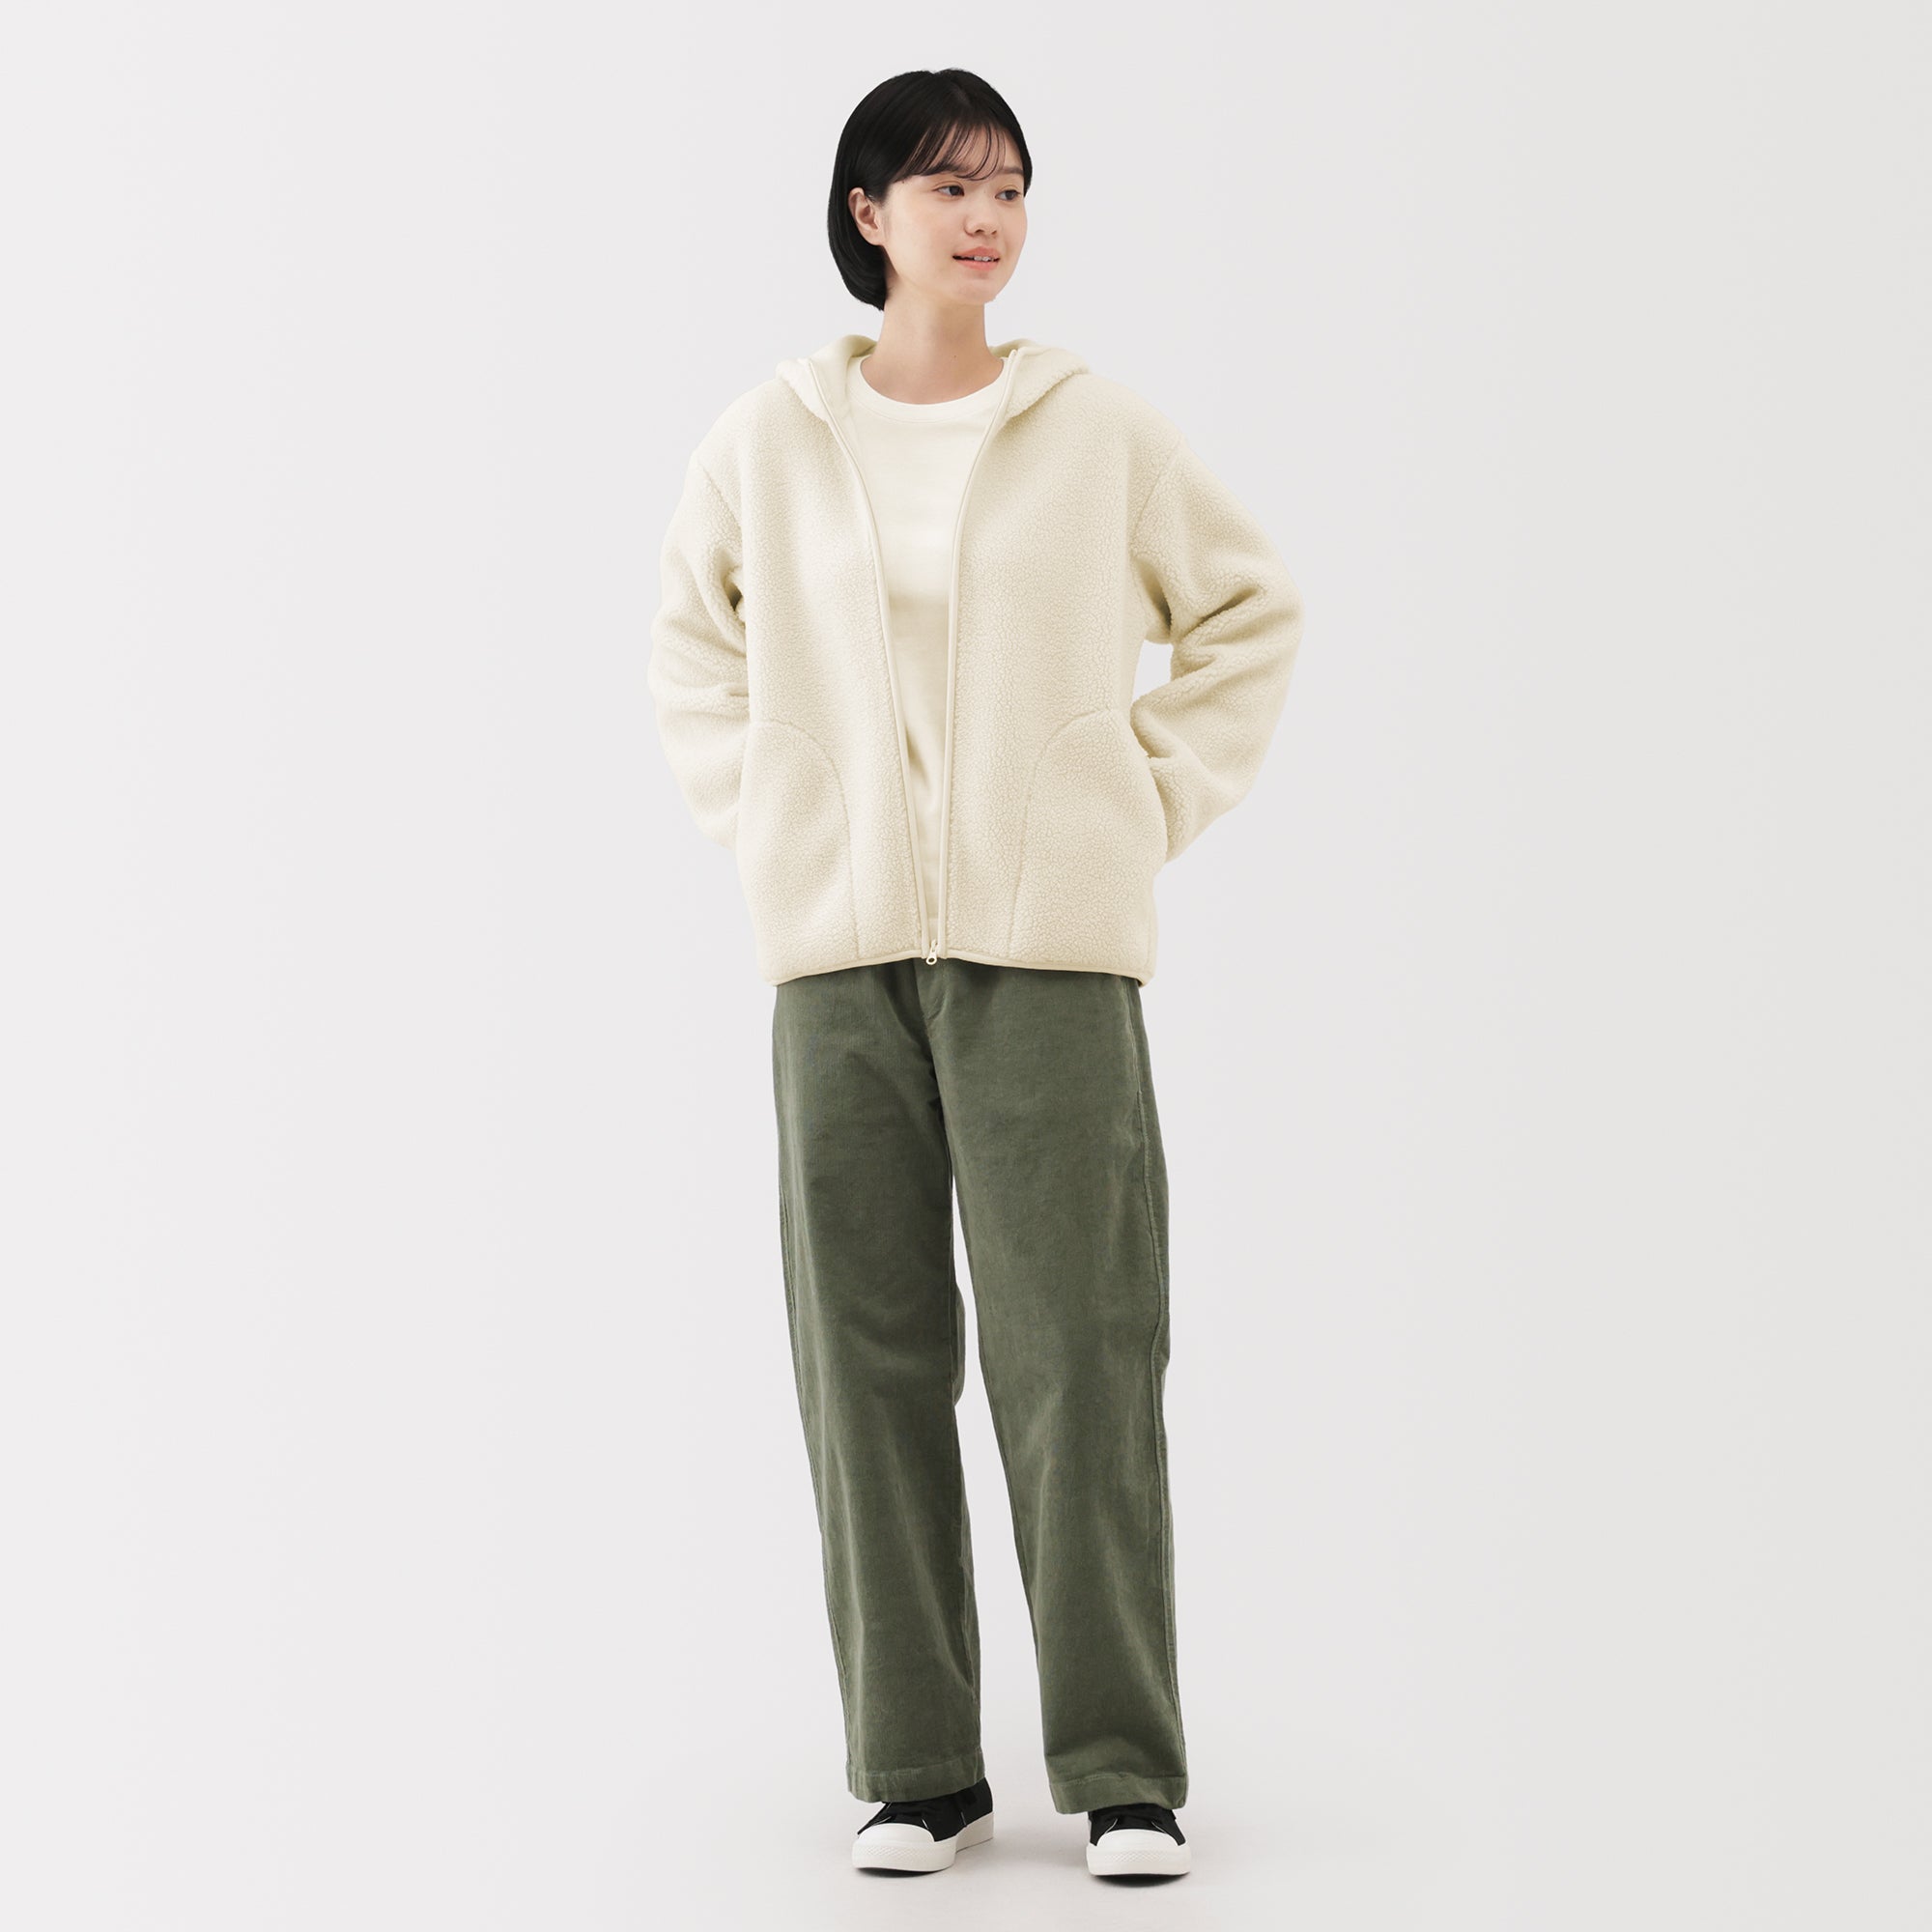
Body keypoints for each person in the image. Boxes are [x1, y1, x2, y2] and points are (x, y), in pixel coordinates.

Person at [647, 68, 1305, 1884]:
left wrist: (1132, 802)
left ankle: (1122, 1770)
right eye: (947, 185)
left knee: (1081, 1356)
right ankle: (919, 1768)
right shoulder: (768, 441)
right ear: (868, 213)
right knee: (863, 1359)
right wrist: (776, 815)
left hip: (1050, 958)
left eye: (1009, 185)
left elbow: (1249, 610)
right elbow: (689, 650)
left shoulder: (1095, 432)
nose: (986, 216)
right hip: (837, 959)